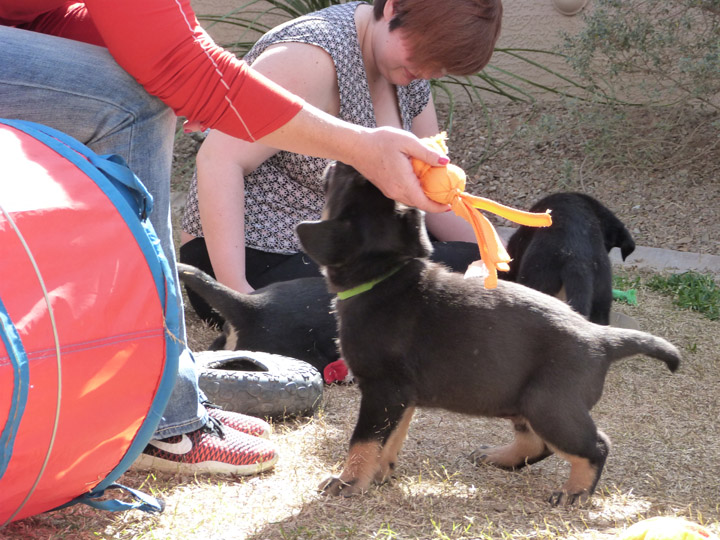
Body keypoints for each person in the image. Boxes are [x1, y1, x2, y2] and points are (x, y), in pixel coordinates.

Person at [0, 0, 453, 475]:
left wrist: (186, 71)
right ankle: (162, 421)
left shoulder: (406, 83)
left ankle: (93, 374)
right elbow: (185, 71)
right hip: (264, 253)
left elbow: (142, 40)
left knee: (136, 74)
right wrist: (360, 147)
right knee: (132, 104)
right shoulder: (318, 49)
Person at [179, 0, 503, 324]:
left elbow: (429, 196)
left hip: (345, 250)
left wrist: (495, 250)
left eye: (440, 68)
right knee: (426, 294)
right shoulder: (310, 56)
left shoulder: (408, 71)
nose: (427, 72)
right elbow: (218, 160)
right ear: (392, 8)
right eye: (424, 55)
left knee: (483, 269)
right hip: (255, 256)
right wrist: (240, 298)